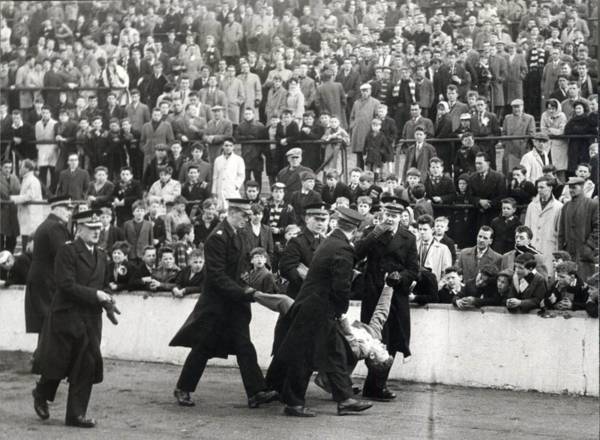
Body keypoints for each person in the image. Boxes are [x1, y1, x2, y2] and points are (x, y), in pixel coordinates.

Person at [170, 199, 279, 408]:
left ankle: (256, 392)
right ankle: (183, 388)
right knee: (203, 347)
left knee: (244, 345)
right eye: (244, 215)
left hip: (235, 303)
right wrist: (244, 292)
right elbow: (217, 276)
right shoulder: (217, 238)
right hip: (217, 305)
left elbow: (245, 268)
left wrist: (268, 282)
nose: (248, 219)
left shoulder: (241, 234)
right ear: (233, 213)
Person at [275, 207, 372, 417]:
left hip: (312, 306)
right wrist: (340, 309)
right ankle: (293, 403)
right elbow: (341, 285)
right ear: (355, 229)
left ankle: (344, 399)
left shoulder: (330, 242)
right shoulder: (343, 249)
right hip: (319, 309)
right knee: (305, 355)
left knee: (334, 352)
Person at [32, 210, 119, 428]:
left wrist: (108, 300)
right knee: (58, 364)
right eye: (91, 229)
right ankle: (41, 392)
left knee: (86, 365)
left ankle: (75, 415)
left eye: (98, 228)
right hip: (66, 316)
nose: (96, 232)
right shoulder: (67, 251)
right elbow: (66, 285)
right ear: (79, 229)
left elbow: (104, 284)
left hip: (90, 319)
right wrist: (96, 295)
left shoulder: (101, 254)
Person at [354, 196, 418, 401]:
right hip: (373, 293)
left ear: (401, 217)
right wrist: (376, 232)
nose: (390, 219)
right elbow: (358, 252)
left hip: (395, 296)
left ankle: (377, 385)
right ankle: (371, 386)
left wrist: (401, 277)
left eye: (395, 215)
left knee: (391, 341)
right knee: (373, 339)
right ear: (382, 215)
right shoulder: (372, 233)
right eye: (388, 215)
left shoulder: (408, 238)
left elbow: (414, 269)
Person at [558, 177, 599, 281]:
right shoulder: (566, 206)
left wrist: (588, 247)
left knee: (585, 284)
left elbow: (598, 228)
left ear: (582, 187)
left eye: (574, 187)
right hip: (569, 253)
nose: (571, 190)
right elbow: (561, 232)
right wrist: (560, 252)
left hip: (585, 255)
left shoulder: (592, 204)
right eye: (569, 188)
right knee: (569, 284)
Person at [9, 159, 43, 250]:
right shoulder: (27, 179)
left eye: (21, 167)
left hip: (31, 218)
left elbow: (29, 196)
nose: (19, 169)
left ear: (27, 169)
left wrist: (12, 198)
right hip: (27, 218)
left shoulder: (32, 180)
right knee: (25, 242)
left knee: (28, 245)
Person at [469, 152, 506, 227]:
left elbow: (502, 196)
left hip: (494, 215)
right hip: (477, 216)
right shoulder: (472, 177)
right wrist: (479, 201)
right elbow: (469, 195)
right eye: (476, 163)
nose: (477, 166)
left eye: (480, 163)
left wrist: (489, 204)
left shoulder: (499, 177)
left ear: (488, 163)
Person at [415, 214, 452, 285]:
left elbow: (447, 273)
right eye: (420, 229)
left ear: (432, 230)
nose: (422, 232)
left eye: (425, 229)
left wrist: (438, 287)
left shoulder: (443, 249)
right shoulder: (414, 245)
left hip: (434, 287)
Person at [212, 137, 245, 210]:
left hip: (231, 189)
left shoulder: (238, 159)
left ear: (233, 147)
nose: (228, 148)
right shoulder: (218, 160)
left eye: (230, 146)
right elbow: (215, 177)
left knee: (232, 208)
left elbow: (241, 175)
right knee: (220, 209)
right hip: (220, 189)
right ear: (223, 146)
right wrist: (214, 191)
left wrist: (236, 186)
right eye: (226, 145)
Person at [123, 200, 154, 265]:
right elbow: (124, 240)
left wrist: (151, 254)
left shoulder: (149, 225)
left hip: (144, 254)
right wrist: (125, 253)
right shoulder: (127, 224)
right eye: (137, 211)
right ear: (133, 212)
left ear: (145, 212)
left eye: (142, 211)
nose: (140, 213)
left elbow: (151, 241)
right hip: (131, 254)